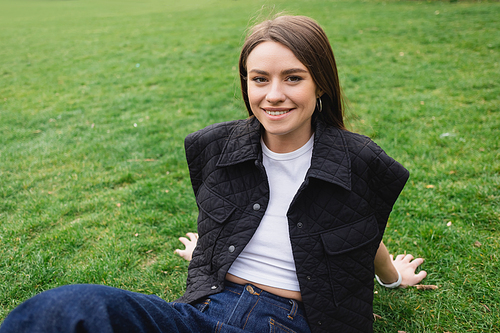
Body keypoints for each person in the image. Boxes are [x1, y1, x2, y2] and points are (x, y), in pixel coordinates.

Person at [0, 15, 426, 333]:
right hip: (205, 311)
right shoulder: (217, 148)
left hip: (297, 322)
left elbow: (357, 229)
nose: (273, 95)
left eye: (293, 78)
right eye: (259, 79)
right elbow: (238, 215)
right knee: (66, 309)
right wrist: (209, 251)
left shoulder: (360, 159)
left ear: (321, 85)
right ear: (246, 84)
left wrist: (391, 279)